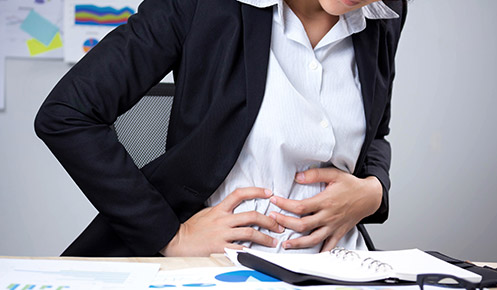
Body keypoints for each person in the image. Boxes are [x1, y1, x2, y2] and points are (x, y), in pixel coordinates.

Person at [34, 0, 407, 257]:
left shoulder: (385, 13)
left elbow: (376, 133)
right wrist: (172, 236)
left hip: (341, 265)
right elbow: (67, 113)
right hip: (223, 267)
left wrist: (373, 191)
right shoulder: (201, 5)